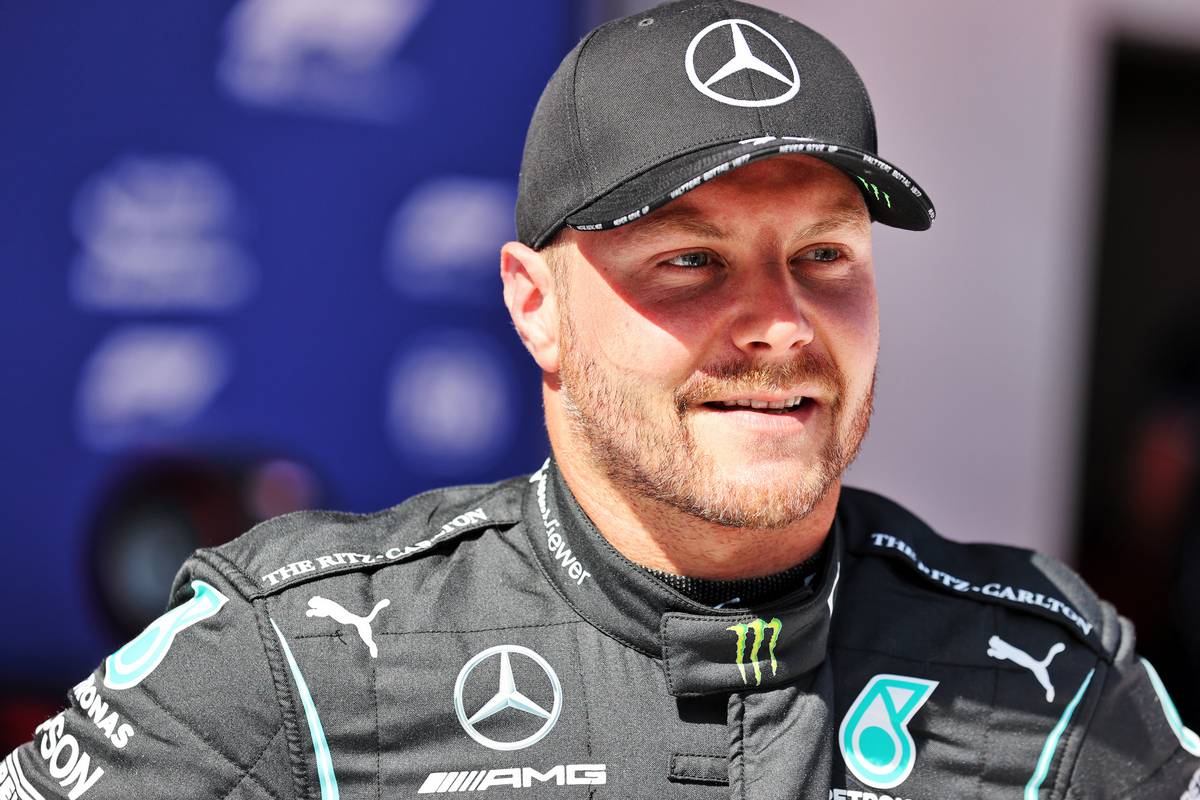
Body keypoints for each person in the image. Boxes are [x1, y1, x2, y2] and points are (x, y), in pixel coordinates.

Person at [6, 2, 1198, 798]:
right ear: (536, 306)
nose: (782, 322)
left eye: (824, 255)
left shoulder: (1047, 677)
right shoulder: (305, 657)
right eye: (692, 259)